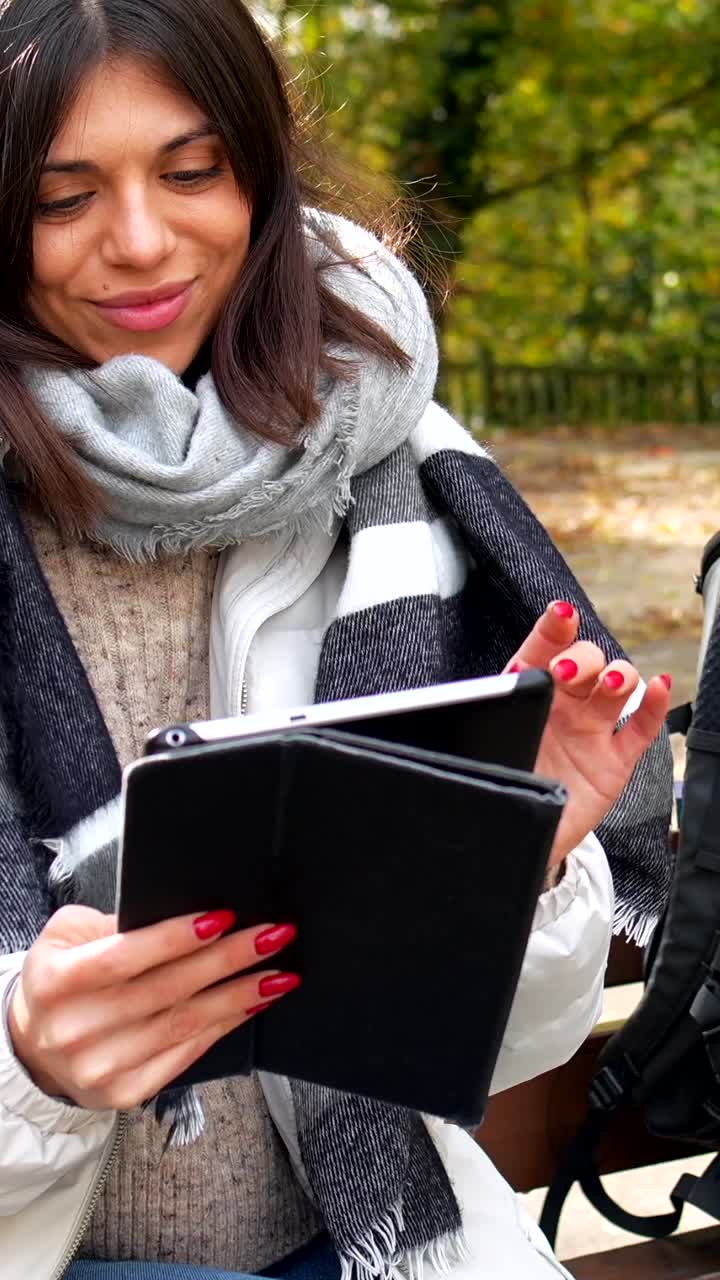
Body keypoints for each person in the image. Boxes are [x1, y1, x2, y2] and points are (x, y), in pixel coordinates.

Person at [0, 2, 674, 1278]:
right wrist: (26, 1064)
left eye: (192, 171)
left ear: (261, 169)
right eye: (60, 196)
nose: (142, 242)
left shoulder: (380, 459)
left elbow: (513, 1049)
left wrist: (509, 854)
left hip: (373, 1244)